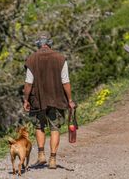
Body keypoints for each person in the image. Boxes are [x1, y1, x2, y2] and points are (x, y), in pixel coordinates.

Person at [23, 32, 76, 170]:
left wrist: (26, 99)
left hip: (37, 99)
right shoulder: (60, 58)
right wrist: (70, 100)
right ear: (50, 43)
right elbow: (65, 82)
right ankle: (52, 159)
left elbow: (28, 83)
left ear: (38, 44)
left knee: (39, 126)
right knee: (55, 128)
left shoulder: (31, 59)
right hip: (57, 98)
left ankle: (41, 155)